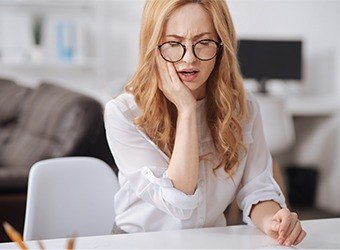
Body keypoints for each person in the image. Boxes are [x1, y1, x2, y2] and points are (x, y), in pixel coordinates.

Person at [104, 0, 306, 246]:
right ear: (153, 46)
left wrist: (275, 221)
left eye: (204, 43)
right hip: (138, 243)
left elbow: (257, 189)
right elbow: (180, 201)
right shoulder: (124, 113)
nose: (189, 58)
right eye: (173, 44)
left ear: (221, 46)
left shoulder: (243, 106)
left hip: (209, 241)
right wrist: (187, 109)